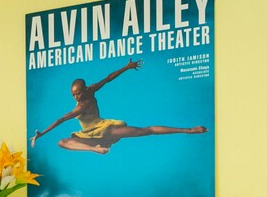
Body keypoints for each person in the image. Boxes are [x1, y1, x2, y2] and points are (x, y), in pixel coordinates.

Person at [31, 59, 207, 154]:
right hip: (91, 137)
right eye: (73, 95)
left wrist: (42, 133)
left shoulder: (81, 106)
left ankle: (189, 130)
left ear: (84, 89)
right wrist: (127, 67)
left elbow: (61, 119)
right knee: (62, 142)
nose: (76, 97)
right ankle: (95, 149)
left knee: (145, 130)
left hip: (106, 130)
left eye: (78, 93)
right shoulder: (91, 90)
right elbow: (108, 78)